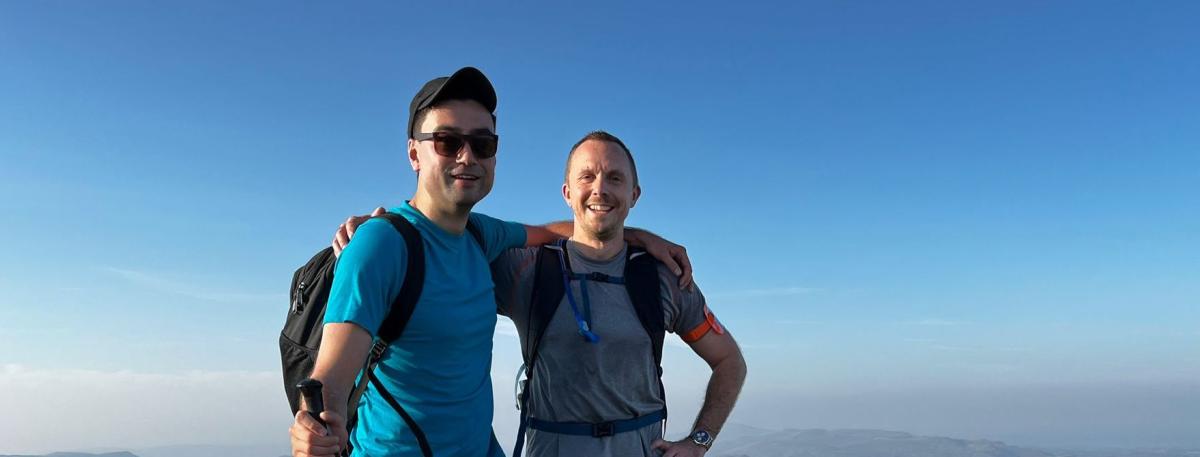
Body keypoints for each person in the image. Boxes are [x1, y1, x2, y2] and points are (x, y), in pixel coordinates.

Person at [289, 68, 691, 457]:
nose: (468, 156)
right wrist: (317, 428)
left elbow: (553, 232)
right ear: (414, 153)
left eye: (483, 144)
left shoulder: (481, 235)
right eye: (447, 142)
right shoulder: (381, 245)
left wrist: (634, 236)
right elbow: (331, 382)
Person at [491, 131, 747, 457]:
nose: (600, 188)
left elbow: (729, 361)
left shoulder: (663, 277)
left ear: (634, 194)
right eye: (587, 176)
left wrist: (699, 441)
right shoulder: (526, 268)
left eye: (614, 178)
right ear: (567, 193)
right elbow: (455, 240)